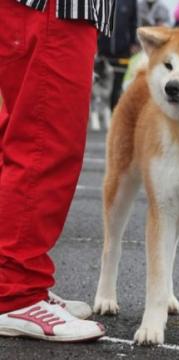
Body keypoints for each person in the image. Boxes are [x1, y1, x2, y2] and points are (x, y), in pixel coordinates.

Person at [0, 0, 114, 342]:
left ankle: (17, 279)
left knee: (24, 137)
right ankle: (16, 292)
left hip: (40, 10)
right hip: (55, 9)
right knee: (43, 142)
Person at [97, 0, 139, 110]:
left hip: (122, 53)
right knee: (99, 89)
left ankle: (114, 117)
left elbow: (134, 23)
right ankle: (99, 116)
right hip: (102, 53)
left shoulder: (131, 2)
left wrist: (133, 43)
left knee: (117, 89)